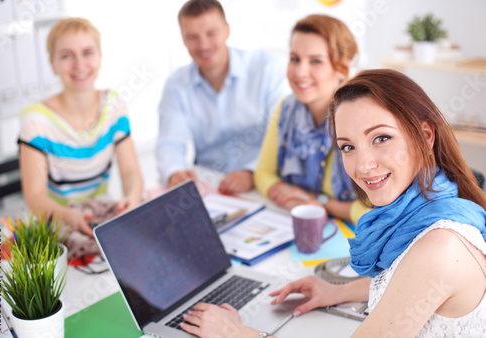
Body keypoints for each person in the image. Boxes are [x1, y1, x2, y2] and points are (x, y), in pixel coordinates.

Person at [180, 70, 486, 337]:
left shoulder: (440, 248)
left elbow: (423, 271)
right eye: (348, 147)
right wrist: (338, 291)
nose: (363, 165)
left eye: (381, 138)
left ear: (426, 135)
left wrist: (235, 333)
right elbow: (407, 282)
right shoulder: (432, 204)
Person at [18, 18, 144, 237]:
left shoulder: (114, 105)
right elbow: (35, 196)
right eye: (67, 55)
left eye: (88, 53)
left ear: (100, 57)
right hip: (57, 223)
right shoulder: (35, 121)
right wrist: (69, 216)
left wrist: (132, 198)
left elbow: (131, 171)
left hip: (101, 216)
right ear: (53, 64)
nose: (79, 65)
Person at [155, 0, 289, 194]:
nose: (204, 45)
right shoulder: (176, 85)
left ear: (227, 30)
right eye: (192, 37)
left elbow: (282, 131)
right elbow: (170, 143)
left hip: (263, 181)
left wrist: (251, 171)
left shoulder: (266, 68)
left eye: (211, 33)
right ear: (183, 39)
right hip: (210, 185)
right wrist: (174, 171)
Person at [254, 14, 369, 224]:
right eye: (295, 58)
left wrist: (321, 203)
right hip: (304, 223)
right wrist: (292, 200)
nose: (300, 72)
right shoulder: (286, 108)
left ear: (342, 67)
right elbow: (263, 173)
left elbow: (383, 209)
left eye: (316, 61)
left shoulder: (362, 117)